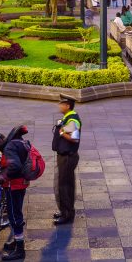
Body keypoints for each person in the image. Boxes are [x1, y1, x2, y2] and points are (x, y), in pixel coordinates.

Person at [0, 127, 31, 261]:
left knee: (14, 216)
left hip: (14, 185)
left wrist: (1, 176)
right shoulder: (12, 143)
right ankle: (16, 241)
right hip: (19, 184)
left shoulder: (9, 147)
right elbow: (12, 160)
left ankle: (20, 250)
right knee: (15, 213)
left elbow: (14, 166)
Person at [52, 96, 81, 225]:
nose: (59, 105)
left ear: (68, 106)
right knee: (64, 184)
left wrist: (62, 132)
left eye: (62, 103)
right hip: (64, 156)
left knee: (65, 186)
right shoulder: (68, 117)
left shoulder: (72, 119)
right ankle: (65, 210)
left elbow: (75, 138)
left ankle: (67, 214)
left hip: (68, 157)